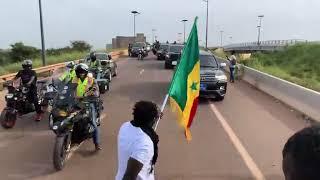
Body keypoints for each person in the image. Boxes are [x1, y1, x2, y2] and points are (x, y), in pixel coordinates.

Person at [116, 101, 160, 180]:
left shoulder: (125, 126)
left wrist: (154, 117)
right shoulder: (145, 144)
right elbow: (129, 176)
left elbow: (143, 130)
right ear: (152, 120)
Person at [72, 63, 102, 151]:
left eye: (83, 72)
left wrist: (89, 93)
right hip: (76, 102)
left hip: (88, 102)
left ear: (86, 72)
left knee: (93, 122)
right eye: (79, 72)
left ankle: (97, 143)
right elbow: (69, 88)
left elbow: (95, 89)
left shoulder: (91, 79)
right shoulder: (74, 79)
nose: (81, 74)